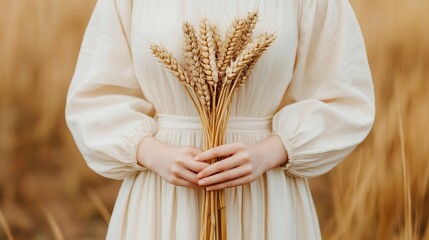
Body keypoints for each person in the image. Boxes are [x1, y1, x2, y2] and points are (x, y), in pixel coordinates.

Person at [65, 0, 375, 239]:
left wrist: (271, 152)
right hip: (163, 190)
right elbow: (94, 96)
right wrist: (152, 153)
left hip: (264, 189)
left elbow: (347, 96)